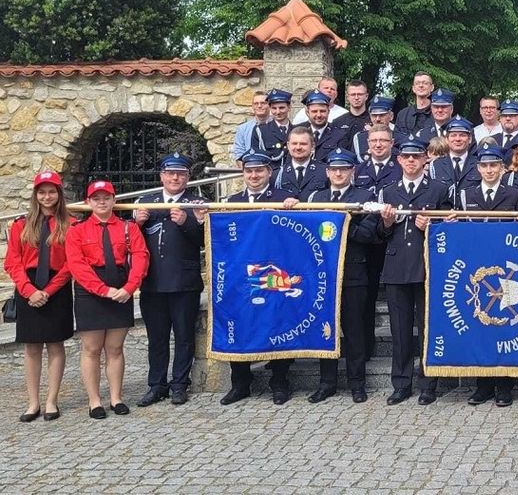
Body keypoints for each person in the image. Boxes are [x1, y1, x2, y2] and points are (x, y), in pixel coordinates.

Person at [220, 151, 300, 406]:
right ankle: (240, 383)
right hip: (241, 276)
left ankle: (279, 381)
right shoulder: (231, 201)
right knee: (241, 325)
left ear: (269, 172)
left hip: (273, 273)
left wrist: (295, 209)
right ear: (243, 173)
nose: (254, 176)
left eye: (259, 171)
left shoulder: (282, 199)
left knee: (277, 323)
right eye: (249, 171)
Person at [66, 180, 150, 419]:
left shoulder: (128, 227)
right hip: (90, 290)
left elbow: (141, 256)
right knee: (91, 348)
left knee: (115, 348)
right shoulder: (77, 230)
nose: (102, 202)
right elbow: (77, 265)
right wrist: (102, 290)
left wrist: (130, 287)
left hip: (121, 286)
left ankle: (116, 397)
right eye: (96, 198)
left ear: (114, 200)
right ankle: (94, 401)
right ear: (88, 202)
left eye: (106, 197)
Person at [378, 139, 452, 405]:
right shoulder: (388, 191)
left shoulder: (439, 189)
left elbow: (448, 231)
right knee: (399, 330)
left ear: (425, 160)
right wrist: (385, 223)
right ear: (398, 160)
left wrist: (431, 225)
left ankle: (428, 384)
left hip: (425, 265)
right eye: (406, 157)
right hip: (397, 265)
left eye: (416, 157)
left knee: (426, 327)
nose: (411, 161)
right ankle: (400, 383)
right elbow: (378, 235)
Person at [306, 149, 380, 404]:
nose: (338, 173)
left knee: (354, 330)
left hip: (353, 272)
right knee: (325, 329)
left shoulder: (365, 197)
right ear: (327, 172)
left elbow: (368, 235)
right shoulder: (316, 198)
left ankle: (357, 384)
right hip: (322, 274)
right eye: (334, 169)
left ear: (352, 172)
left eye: (344, 169)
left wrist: (341, 222)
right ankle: (327, 383)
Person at [133, 154, 206, 407]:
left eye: (181, 174)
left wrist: (188, 223)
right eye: (170, 173)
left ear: (188, 177)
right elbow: (130, 242)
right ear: (162, 176)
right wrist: (137, 224)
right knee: (157, 338)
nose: (175, 178)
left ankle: (179, 384)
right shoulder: (147, 202)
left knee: (184, 336)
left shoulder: (196, 202)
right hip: (153, 282)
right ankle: (156, 385)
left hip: (184, 282)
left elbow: (206, 241)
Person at [459, 143, 518, 407]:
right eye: (485, 166)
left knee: (504, 325)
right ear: (478, 168)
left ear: (502, 167)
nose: (489, 170)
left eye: (494, 165)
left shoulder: (516, 194)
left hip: (504, 267)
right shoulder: (466, 195)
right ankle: (482, 385)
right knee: (481, 324)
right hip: (477, 268)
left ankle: (504, 386)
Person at [4, 170, 74, 422]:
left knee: (55, 345)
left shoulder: (70, 224)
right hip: (29, 287)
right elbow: (12, 262)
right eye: (42, 192)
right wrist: (29, 291)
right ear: (36, 195)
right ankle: (33, 402)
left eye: (51, 191)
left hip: (56, 287)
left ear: (59, 194)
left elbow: (70, 264)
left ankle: (51, 400)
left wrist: (48, 290)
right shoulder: (21, 226)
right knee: (32, 347)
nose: (47, 197)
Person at [428, 117, 479, 201]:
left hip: (471, 213)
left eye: (462, 135)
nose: (458, 139)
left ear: (469, 139)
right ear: (446, 140)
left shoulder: (479, 164)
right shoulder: (435, 165)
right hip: (444, 212)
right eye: (453, 135)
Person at [274, 126, 328, 200]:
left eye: (303, 144)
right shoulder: (277, 174)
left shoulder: (325, 171)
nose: (298, 147)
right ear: (288, 146)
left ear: (312, 146)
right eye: (294, 143)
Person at [254, 89, 294, 167]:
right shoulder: (261, 131)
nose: (278, 112)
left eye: (281, 108)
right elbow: (257, 159)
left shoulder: (297, 131)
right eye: (274, 108)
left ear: (289, 107)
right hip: (271, 176)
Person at [394, 72, 435, 138]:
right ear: (413, 88)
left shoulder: (438, 113)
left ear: (432, 87)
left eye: (425, 83)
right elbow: (396, 138)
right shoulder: (403, 114)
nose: (421, 85)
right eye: (417, 83)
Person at [232, 91, 269, 161]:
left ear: (269, 105)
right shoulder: (243, 129)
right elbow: (239, 153)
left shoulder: (277, 126)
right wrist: (248, 170)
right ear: (252, 106)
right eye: (256, 103)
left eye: (263, 103)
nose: (259, 106)